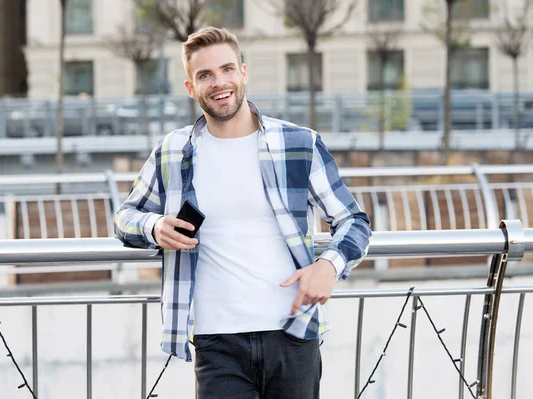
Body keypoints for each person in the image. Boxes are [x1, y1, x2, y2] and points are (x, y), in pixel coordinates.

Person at [114, 27, 371, 399]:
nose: (219, 83)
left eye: (227, 69)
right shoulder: (172, 151)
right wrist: (153, 226)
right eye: (205, 75)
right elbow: (125, 217)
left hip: (293, 334)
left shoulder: (298, 143)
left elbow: (354, 221)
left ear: (243, 73)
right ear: (191, 87)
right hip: (216, 342)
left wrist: (328, 265)